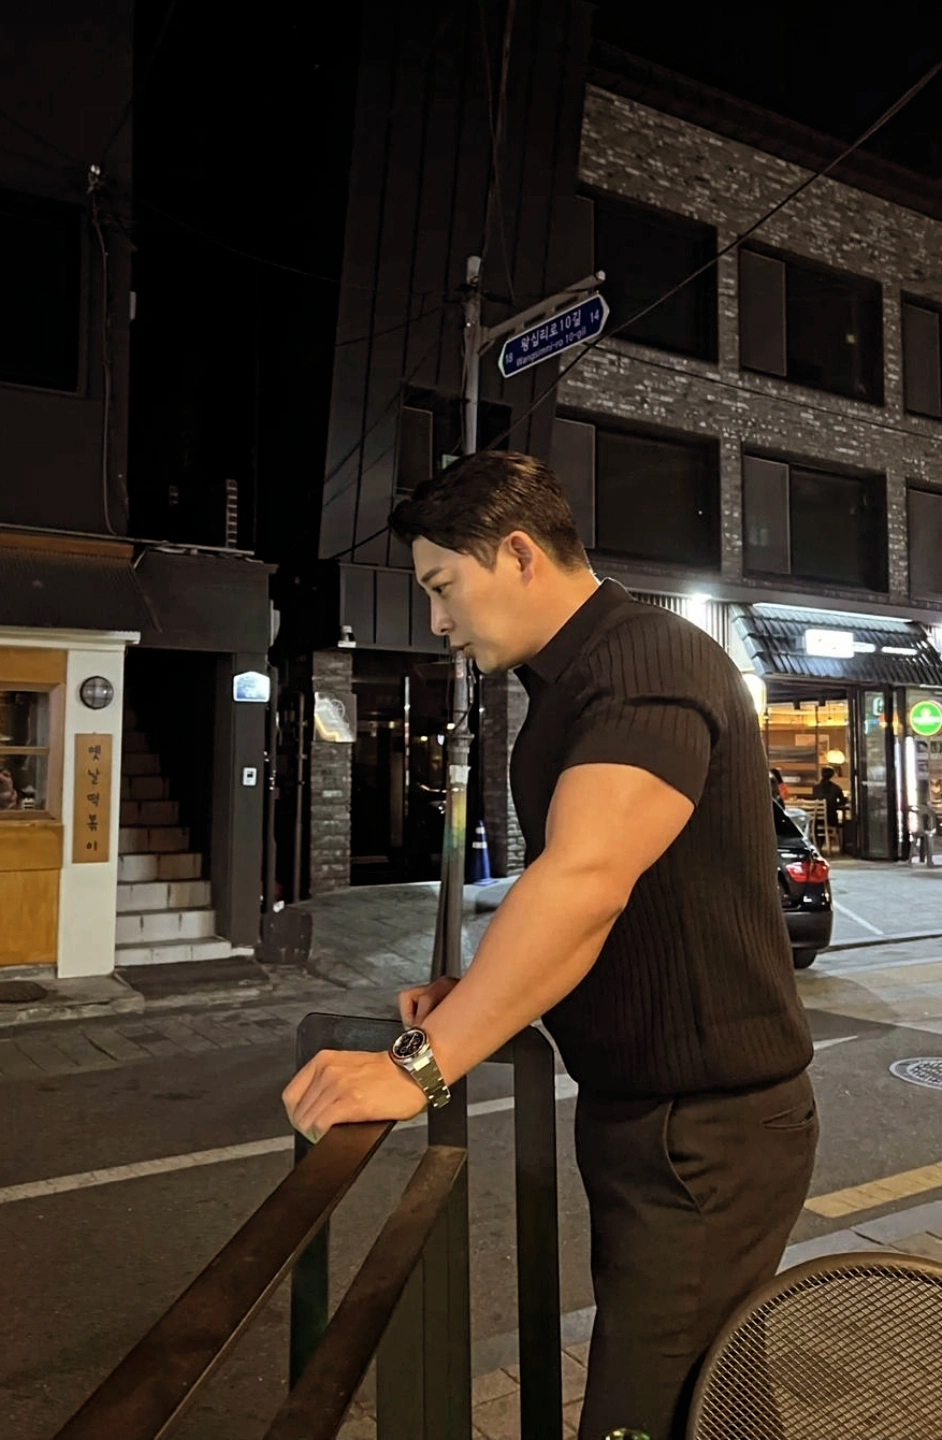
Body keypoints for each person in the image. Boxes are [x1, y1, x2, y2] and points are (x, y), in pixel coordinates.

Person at [282, 452, 817, 1440]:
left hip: (704, 1133)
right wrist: (484, 988)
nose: (437, 620)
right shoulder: (581, 678)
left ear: (520, 554)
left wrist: (417, 1068)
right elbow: (589, 899)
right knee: (716, 1401)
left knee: (640, 1413)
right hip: (665, 1117)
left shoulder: (645, 662)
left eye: (444, 586)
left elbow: (583, 881)